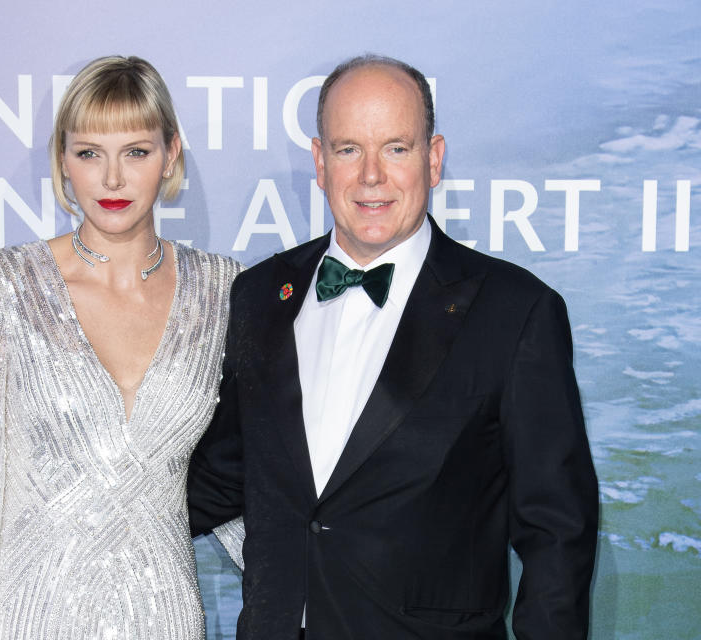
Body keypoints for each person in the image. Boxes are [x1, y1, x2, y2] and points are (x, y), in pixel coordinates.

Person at [187, 54, 599, 639]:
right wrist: (92, 513)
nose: (371, 175)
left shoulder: (515, 312)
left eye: (396, 148)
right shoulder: (259, 295)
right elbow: (228, 472)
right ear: (320, 162)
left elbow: (556, 531)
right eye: (349, 148)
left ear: (434, 160)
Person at [0, 55, 241, 640]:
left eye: (136, 152)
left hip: (164, 613)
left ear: (171, 155)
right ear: (63, 160)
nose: (111, 179)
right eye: (89, 152)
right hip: (30, 613)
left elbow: (252, 473)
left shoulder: (224, 291)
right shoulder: (2, 287)